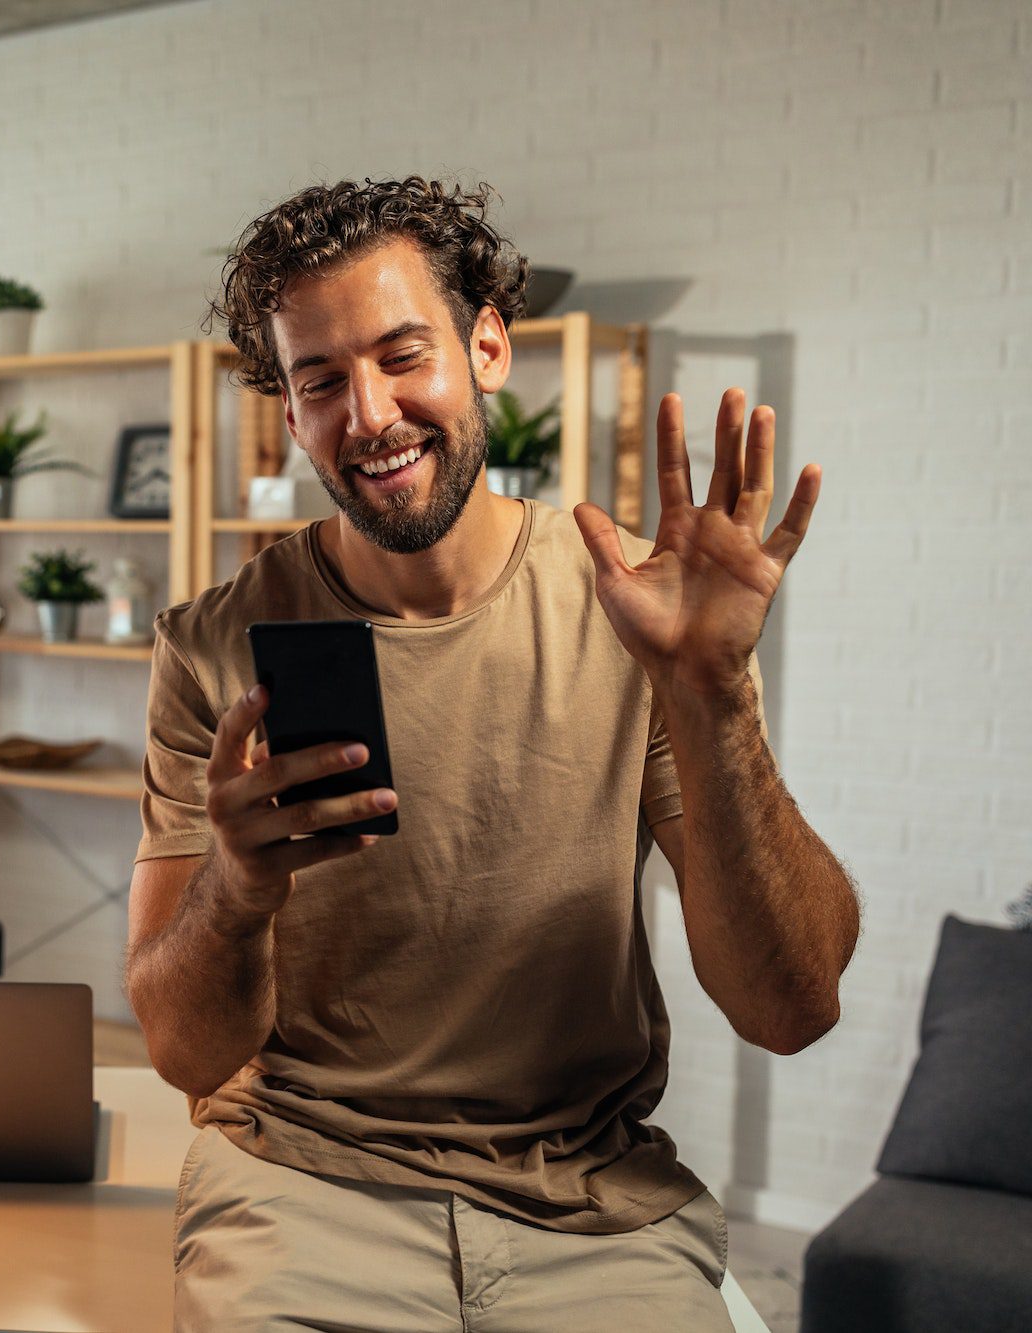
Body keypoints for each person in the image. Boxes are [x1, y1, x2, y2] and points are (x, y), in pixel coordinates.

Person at [125, 177, 860, 1332]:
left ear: (484, 347)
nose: (365, 414)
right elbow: (181, 1052)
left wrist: (710, 697)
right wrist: (235, 888)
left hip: (588, 1202)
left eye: (400, 355)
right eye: (319, 380)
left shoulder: (637, 609)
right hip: (306, 1189)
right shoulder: (212, 647)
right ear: (290, 413)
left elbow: (791, 1007)